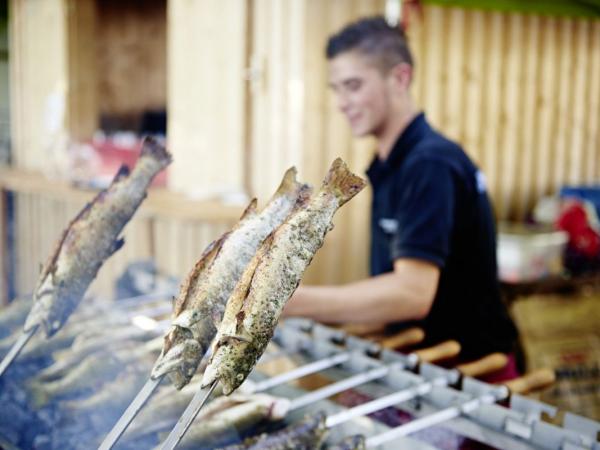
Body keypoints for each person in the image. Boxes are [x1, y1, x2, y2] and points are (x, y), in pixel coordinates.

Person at [284, 16, 519, 377]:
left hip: (472, 370)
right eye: (336, 89)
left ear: (400, 78)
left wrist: (286, 302)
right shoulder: (390, 161)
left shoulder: (431, 163)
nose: (342, 103)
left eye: (353, 86)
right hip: (422, 360)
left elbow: (412, 294)